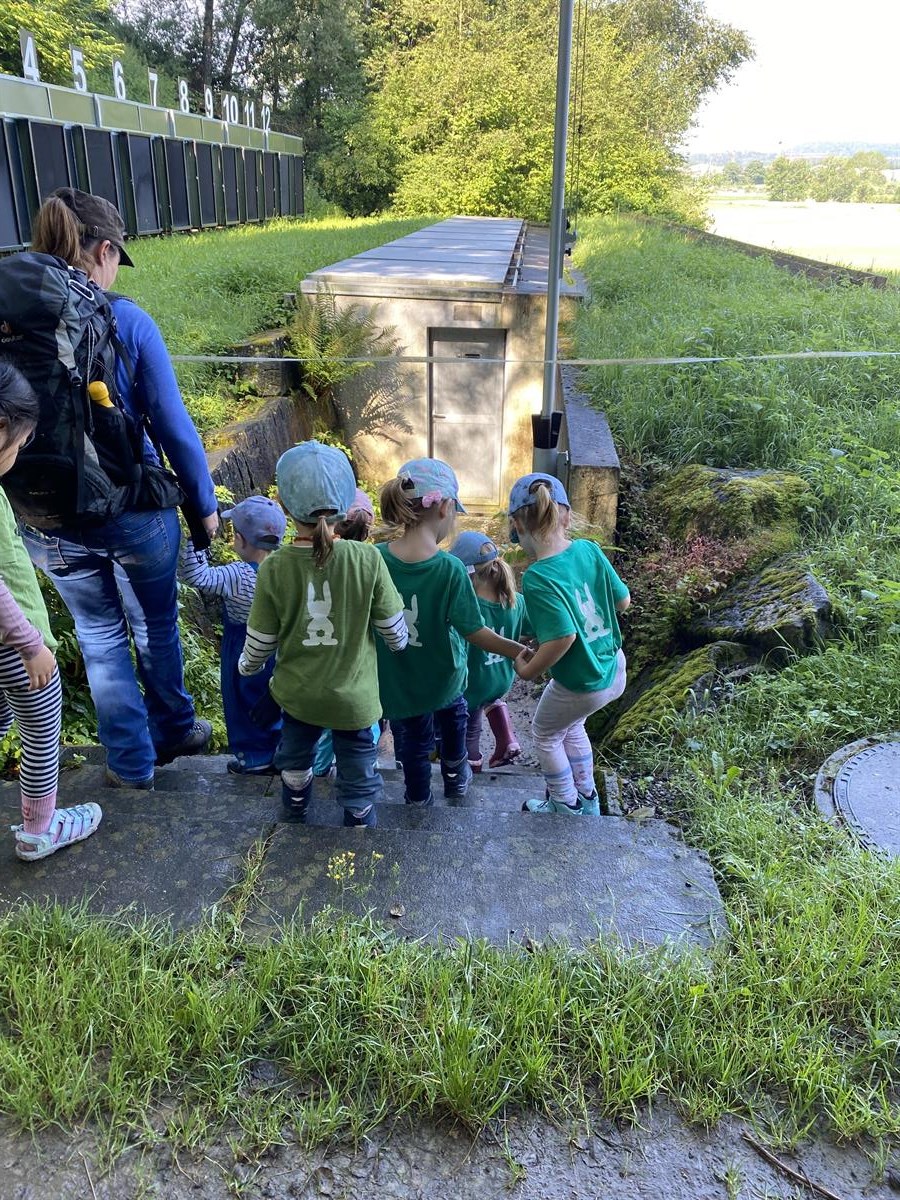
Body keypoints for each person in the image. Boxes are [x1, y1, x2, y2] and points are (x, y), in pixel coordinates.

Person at [19, 188, 218, 790]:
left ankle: (131, 767)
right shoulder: (125, 320)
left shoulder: (11, 322)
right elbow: (174, 430)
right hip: (133, 514)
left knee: (100, 637)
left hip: (44, 519)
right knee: (154, 622)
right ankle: (174, 729)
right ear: (104, 250)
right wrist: (203, 507)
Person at [239, 442, 408, 827]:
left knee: (296, 754)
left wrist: (246, 667)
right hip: (354, 697)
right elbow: (394, 632)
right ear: (346, 504)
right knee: (358, 758)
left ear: (284, 505)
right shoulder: (367, 558)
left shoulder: (275, 567)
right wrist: (395, 647)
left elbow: (260, 643)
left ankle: (296, 805)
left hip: (299, 695)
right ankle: (358, 816)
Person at [376, 459, 526, 807]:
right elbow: (473, 631)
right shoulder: (451, 568)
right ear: (444, 507)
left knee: (412, 749)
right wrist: (516, 649)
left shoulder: (376, 559)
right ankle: (457, 788)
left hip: (399, 686)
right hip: (447, 683)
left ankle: (418, 803)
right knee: (455, 742)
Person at [0, 363, 102, 860]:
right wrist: (30, 643)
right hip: (10, 640)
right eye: (17, 443)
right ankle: (40, 830)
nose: (18, 453)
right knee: (40, 717)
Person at [509, 473, 630, 816]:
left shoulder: (537, 576)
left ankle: (564, 803)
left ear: (517, 525)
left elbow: (563, 637)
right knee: (572, 725)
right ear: (565, 516)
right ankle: (588, 799)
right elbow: (623, 602)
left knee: (545, 734)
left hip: (581, 680)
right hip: (613, 667)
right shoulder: (589, 550)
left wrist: (528, 668)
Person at [178, 495, 286, 775]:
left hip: (244, 646)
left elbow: (196, 576)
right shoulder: (286, 567)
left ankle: (254, 756)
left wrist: (197, 541)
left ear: (241, 540)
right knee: (278, 699)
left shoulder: (236, 575)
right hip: (282, 648)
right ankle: (283, 751)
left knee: (243, 702)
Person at [311, 488, 381, 779]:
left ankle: (317, 773)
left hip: (320, 665)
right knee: (363, 728)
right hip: (358, 670)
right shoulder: (371, 561)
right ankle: (361, 775)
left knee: (323, 728)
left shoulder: (314, 559)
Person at [450, 530, 529, 772]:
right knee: (491, 698)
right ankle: (507, 738)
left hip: (473, 683)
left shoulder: (468, 608)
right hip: (501, 679)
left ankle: (470, 769)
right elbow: (529, 632)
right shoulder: (516, 601)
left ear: (467, 575)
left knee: (469, 729)